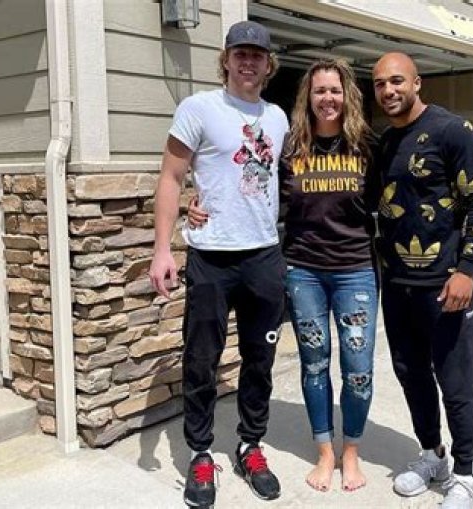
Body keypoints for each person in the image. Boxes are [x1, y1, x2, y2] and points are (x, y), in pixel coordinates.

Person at [188, 58, 379, 493]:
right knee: (315, 364)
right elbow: (245, 183)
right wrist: (196, 203)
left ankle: (350, 451)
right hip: (304, 270)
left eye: (334, 90)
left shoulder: (367, 145)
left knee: (358, 370)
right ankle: (325, 451)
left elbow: (391, 199)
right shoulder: (290, 147)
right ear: (307, 98)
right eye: (319, 91)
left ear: (347, 95)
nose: (327, 98)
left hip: (355, 272)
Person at [148, 21, 288, 507]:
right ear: (225, 59)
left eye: (257, 55)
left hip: (264, 255)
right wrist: (162, 249)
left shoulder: (278, 118)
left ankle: (251, 445)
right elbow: (171, 176)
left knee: (260, 360)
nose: (248, 62)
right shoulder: (199, 108)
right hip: (211, 257)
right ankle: (201, 452)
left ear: (268, 65)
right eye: (240, 53)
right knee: (201, 360)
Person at [371, 52, 473, 509]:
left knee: (456, 383)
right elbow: (370, 203)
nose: (388, 91)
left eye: (397, 81)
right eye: (380, 84)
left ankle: (464, 473)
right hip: (397, 285)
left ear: (417, 82)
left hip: (446, 286)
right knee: (412, 375)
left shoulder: (452, 131)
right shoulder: (386, 143)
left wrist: (467, 270)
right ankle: (432, 455)